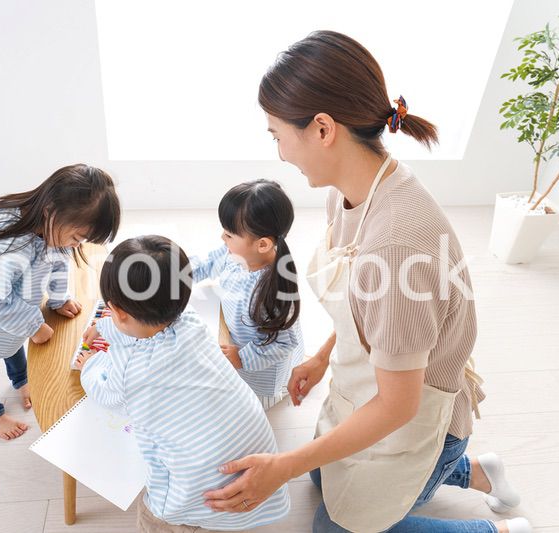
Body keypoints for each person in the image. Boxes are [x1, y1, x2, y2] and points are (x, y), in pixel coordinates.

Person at [203, 31, 530, 533]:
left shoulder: (399, 246)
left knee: (330, 527)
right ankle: (481, 473)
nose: (280, 151)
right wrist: (320, 355)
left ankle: (498, 529)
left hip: (417, 416)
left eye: (276, 135)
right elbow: (363, 303)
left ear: (322, 129)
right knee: (318, 480)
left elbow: (398, 405)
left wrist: (282, 467)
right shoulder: (350, 189)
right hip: (375, 383)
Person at [75, 235, 290, 532]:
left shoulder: (131, 373)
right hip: (256, 458)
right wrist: (105, 326)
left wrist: (92, 365)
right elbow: (141, 326)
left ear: (119, 311)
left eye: (112, 313)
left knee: (157, 515)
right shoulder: (190, 322)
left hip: (198, 493)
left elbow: (106, 393)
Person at [0, 164, 120, 440]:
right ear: (51, 211)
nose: (78, 245)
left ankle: (21, 379)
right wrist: (34, 326)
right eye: (77, 237)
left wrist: (58, 299)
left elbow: (59, 260)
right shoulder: (8, 246)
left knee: (10, 339)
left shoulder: (53, 232)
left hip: (6, 306)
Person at [190, 180, 304, 410]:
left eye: (230, 234)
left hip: (261, 377)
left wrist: (242, 357)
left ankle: (291, 379)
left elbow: (282, 343)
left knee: (221, 407)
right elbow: (208, 263)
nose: (223, 238)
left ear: (262, 245)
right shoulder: (234, 253)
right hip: (235, 339)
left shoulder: (272, 293)